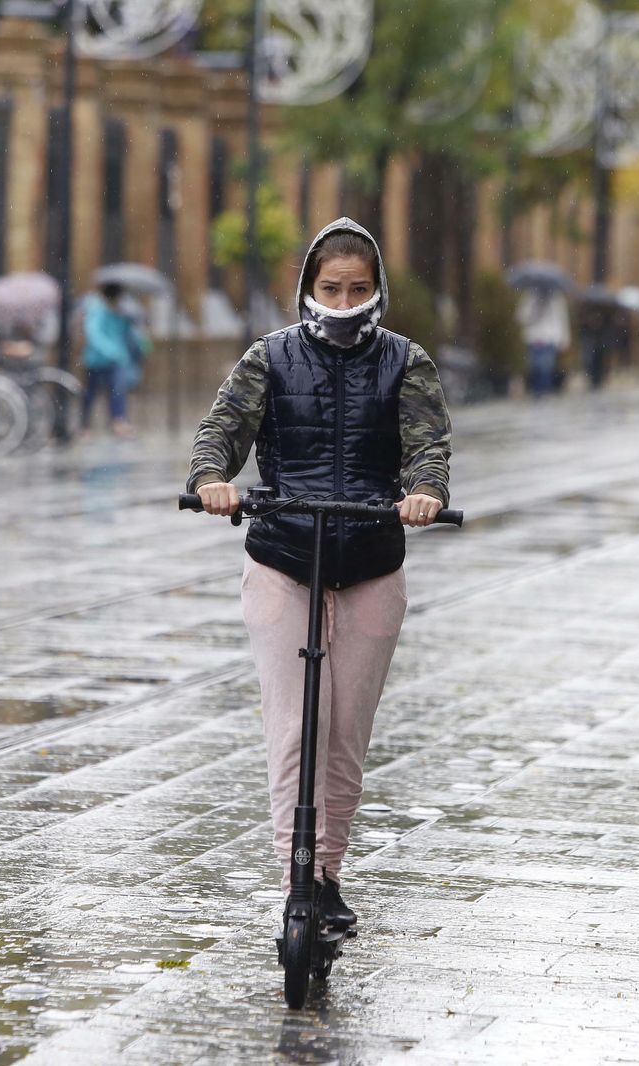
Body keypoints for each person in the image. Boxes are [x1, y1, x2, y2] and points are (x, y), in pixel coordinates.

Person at [186, 218, 452, 932]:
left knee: (344, 734)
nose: (343, 300)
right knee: (294, 728)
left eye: (357, 288)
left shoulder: (407, 362)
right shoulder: (269, 358)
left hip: (369, 559)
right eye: (330, 287)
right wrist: (213, 478)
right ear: (307, 287)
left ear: (377, 291)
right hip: (282, 557)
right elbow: (221, 432)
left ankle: (328, 871)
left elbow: (428, 446)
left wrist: (425, 493)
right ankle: (295, 875)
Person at [78, 280, 143, 437]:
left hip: (117, 360)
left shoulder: (121, 312)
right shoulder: (97, 311)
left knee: (118, 391)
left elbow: (125, 334)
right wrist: (111, 351)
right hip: (96, 360)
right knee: (90, 393)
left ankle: (118, 421)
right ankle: (85, 425)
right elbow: (94, 334)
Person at [517, 287, 570, 396]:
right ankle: (536, 391)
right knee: (534, 367)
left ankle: (543, 392)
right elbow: (521, 317)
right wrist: (534, 309)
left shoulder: (556, 298)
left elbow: (562, 320)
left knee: (546, 368)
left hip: (549, 339)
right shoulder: (530, 296)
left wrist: (564, 340)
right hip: (533, 338)